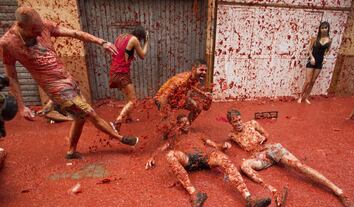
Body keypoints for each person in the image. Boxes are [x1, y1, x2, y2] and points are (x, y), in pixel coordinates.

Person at [0, 6, 139, 159]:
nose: (40, 33)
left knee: (79, 118)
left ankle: (71, 151)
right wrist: (22, 106)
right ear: (21, 26)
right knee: (89, 112)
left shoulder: (43, 26)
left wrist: (101, 42)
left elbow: (75, 33)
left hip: (67, 79)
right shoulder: (8, 43)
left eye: (40, 27)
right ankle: (121, 139)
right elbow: (12, 76)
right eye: (35, 30)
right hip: (55, 88)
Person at [226, 109, 354, 207]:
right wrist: (224, 146)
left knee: (299, 166)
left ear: (241, 118)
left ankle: (339, 192)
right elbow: (226, 145)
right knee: (244, 165)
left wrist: (263, 139)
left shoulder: (252, 124)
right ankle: (271, 188)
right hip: (259, 157)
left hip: (271, 149)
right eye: (234, 122)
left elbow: (266, 134)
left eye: (239, 120)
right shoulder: (232, 135)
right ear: (230, 123)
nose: (238, 123)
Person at [145, 114, 271, 207]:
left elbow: (215, 145)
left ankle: (249, 199)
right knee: (170, 155)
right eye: (182, 122)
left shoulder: (199, 134)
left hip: (205, 156)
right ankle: (194, 194)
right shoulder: (174, 138)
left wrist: (224, 146)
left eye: (187, 121)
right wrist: (152, 157)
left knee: (224, 159)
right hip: (188, 159)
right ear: (178, 125)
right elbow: (162, 148)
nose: (186, 124)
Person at [153, 59, 212, 135]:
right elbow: (162, 98)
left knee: (198, 108)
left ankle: (184, 127)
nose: (204, 72)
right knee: (169, 126)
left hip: (179, 98)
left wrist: (205, 96)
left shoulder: (195, 79)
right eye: (201, 70)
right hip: (163, 100)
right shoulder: (181, 81)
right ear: (194, 69)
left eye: (205, 71)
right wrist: (167, 115)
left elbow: (205, 107)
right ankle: (167, 136)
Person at [109, 26, 149, 130]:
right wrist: (147, 41)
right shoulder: (134, 39)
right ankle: (117, 121)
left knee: (128, 96)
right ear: (141, 36)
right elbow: (143, 55)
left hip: (114, 71)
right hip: (121, 73)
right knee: (133, 100)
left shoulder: (120, 37)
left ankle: (128, 117)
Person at [298, 21, 332, 104]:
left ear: (328, 29)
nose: (324, 29)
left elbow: (327, 51)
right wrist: (312, 57)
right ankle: (301, 96)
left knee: (313, 81)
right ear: (320, 29)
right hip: (312, 61)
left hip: (320, 62)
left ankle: (306, 97)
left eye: (325, 28)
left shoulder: (329, 40)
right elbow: (309, 49)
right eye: (322, 28)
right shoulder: (314, 38)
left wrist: (325, 58)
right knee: (308, 81)